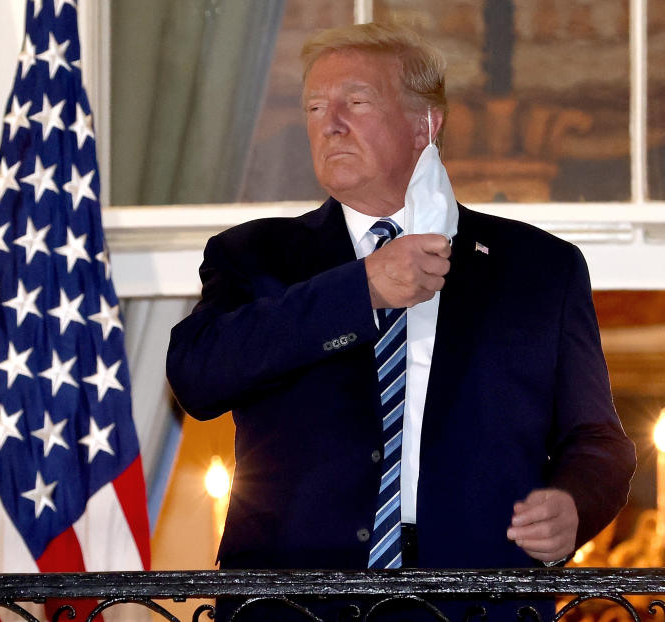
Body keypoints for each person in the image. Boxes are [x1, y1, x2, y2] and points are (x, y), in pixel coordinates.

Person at [165, 22, 636, 621]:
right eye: (314, 106)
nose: (329, 122)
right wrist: (358, 290)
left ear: (425, 124)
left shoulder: (540, 269)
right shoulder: (254, 256)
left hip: (475, 601)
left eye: (355, 102)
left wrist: (575, 504)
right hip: (296, 605)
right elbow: (197, 377)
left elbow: (598, 441)